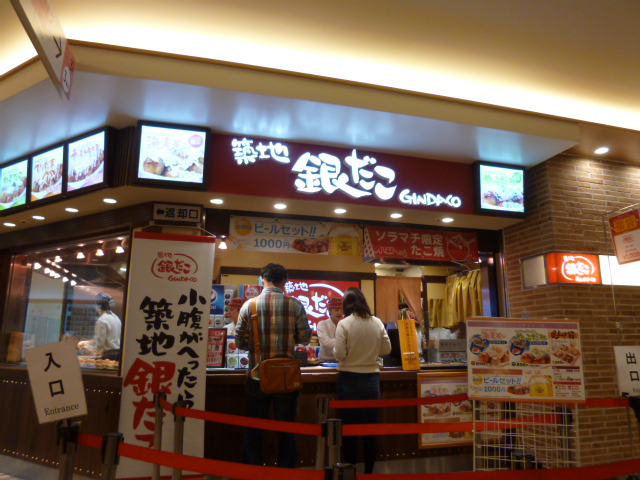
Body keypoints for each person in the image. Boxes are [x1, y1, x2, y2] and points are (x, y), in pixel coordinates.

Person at [235, 263, 311, 468]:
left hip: (257, 377)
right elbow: (305, 338)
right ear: (285, 281)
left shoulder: (249, 305)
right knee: (286, 432)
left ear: (263, 279)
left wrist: (257, 343)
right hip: (286, 378)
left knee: (254, 431)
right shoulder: (295, 305)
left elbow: (240, 342)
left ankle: (254, 473)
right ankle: (286, 473)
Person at [333, 287, 391, 474]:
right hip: (372, 379)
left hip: (349, 380)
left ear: (347, 304)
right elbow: (387, 349)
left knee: (349, 431)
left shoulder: (344, 324)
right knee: (370, 430)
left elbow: (340, 355)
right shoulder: (377, 322)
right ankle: (369, 473)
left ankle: (349, 473)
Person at [77, 292, 122, 359]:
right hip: (117, 354)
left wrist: (85, 344)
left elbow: (99, 343)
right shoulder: (115, 318)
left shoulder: (102, 320)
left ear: (98, 305)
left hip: (108, 355)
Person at [316, 297, 344, 362]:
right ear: (330, 311)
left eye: (342, 310)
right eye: (336, 310)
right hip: (324, 361)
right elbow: (326, 342)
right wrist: (344, 342)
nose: (340, 313)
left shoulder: (346, 325)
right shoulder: (322, 324)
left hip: (342, 361)